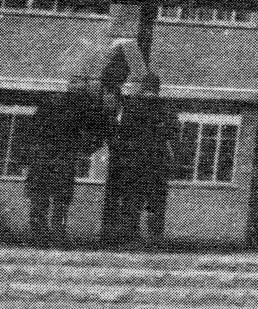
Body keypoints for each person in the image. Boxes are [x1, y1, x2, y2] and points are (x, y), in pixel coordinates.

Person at [102, 74, 176, 247]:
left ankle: (130, 236)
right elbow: (172, 132)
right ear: (157, 88)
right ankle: (154, 239)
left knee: (132, 201)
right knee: (156, 203)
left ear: (143, 87)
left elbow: (122, 131)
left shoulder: (131, 106)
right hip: (156, 163)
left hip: (133, 162)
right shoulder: (166, 107)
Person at [24, 81, 96, 247]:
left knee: (43, 200)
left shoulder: (48, 106)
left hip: (45, 159)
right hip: (58, 160)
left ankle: (41, 235)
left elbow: (31, 132)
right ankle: (54, 235)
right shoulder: (78, 110)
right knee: (58, 200)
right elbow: (87, 135)